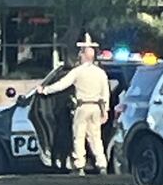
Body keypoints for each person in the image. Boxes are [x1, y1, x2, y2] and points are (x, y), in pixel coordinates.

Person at [36, 34, 110, 176]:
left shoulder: (78, 71)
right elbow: (105, 93)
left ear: (83, 56)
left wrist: (45, 90)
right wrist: (105, 111)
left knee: (79, 136)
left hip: (82, 107)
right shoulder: (101, 73)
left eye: (80, 53)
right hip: (96, 108)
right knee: (95, 137)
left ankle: (79, 166)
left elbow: (61, 85)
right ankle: (102, 165)